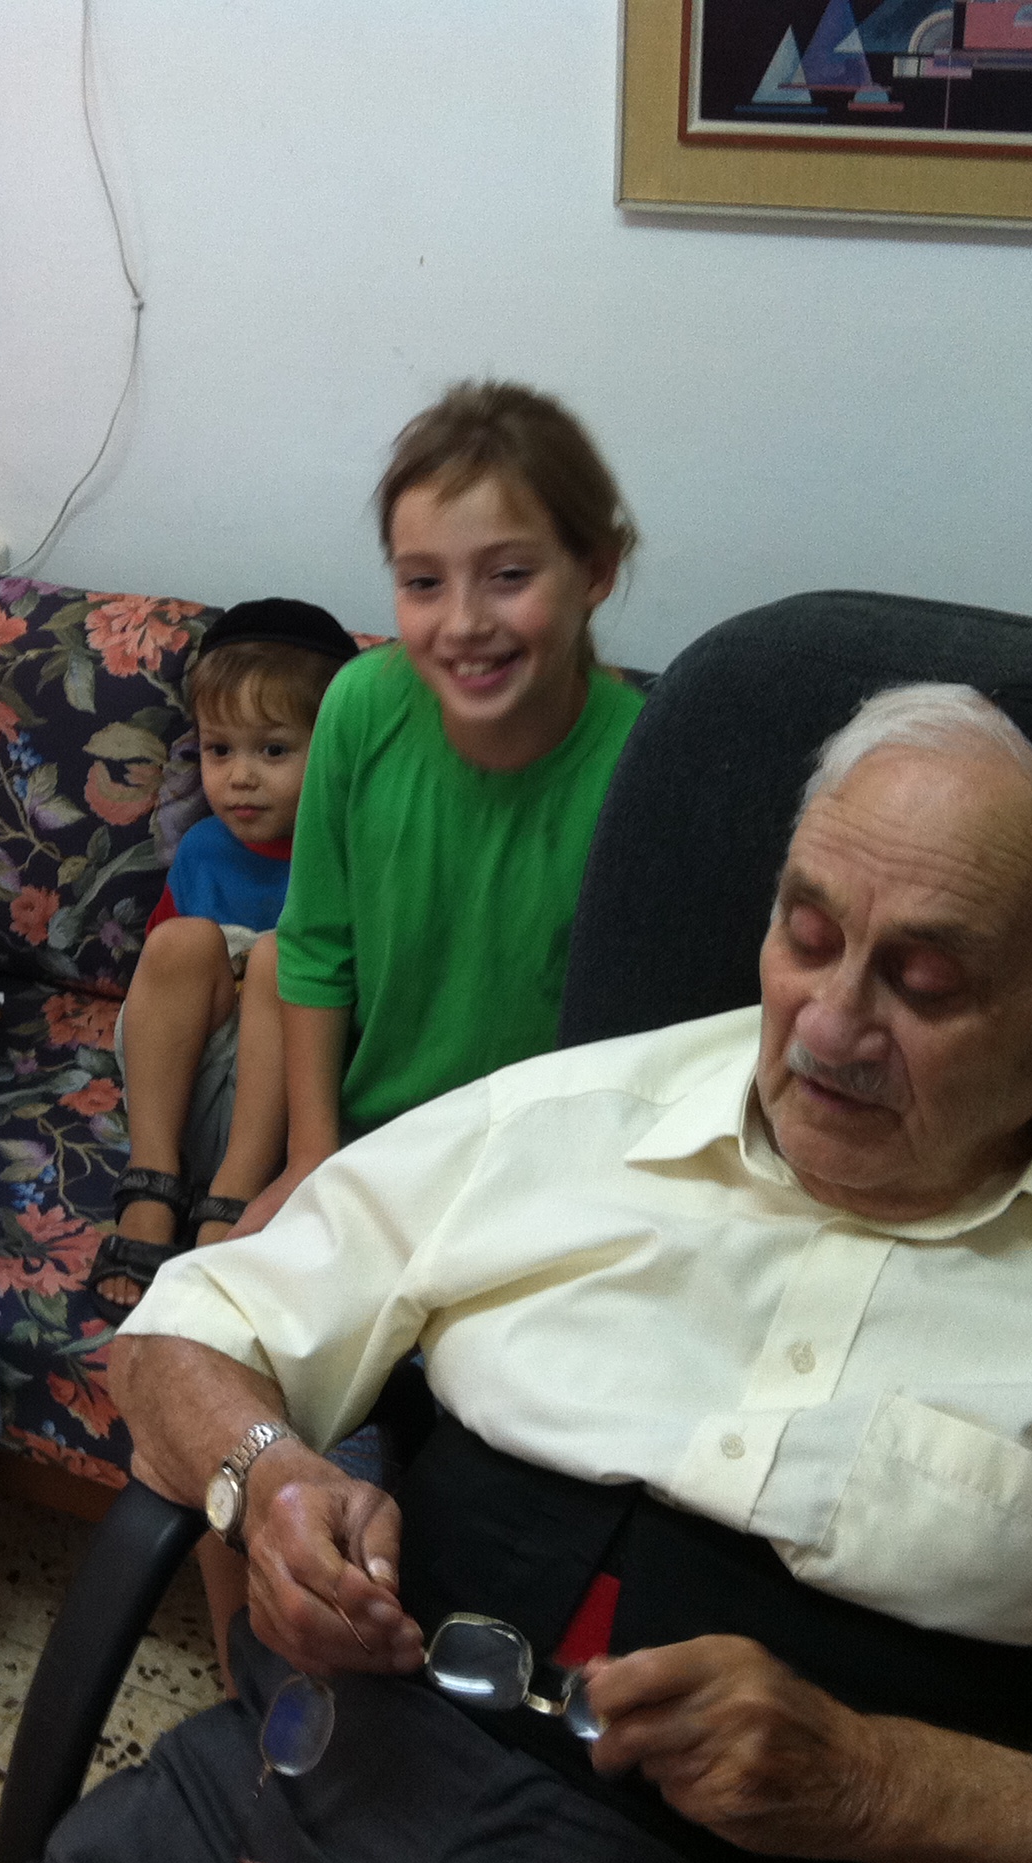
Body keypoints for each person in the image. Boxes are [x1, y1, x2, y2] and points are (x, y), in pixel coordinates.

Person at [0, 682, 1032, 1863]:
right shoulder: (572, 1113)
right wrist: (267, 1476)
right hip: (292, 1811)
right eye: (807, 934)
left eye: (924, 982)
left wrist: (883, 1784)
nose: (829, 1025)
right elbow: (183, 1332)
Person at [229, 380, 647, 1243]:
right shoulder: (358, 707)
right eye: (423, 582)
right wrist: (311, 1156)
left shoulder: (644, 765)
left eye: (509, 576)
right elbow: (316, 946)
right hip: (363, 1143)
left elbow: (639, 1042)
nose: (462, 623)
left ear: (596, 572)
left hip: (532, 1179)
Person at [91, 597, 358, 1310]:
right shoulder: (203, 847)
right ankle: (151, 1183)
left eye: (273, 750)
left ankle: (232, 1202)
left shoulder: (348, 860)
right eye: (219, 750)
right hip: (181, 1095)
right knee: (180, 940)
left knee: (280, 958)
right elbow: (162, 995)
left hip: (294, 1116)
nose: (240, 776)